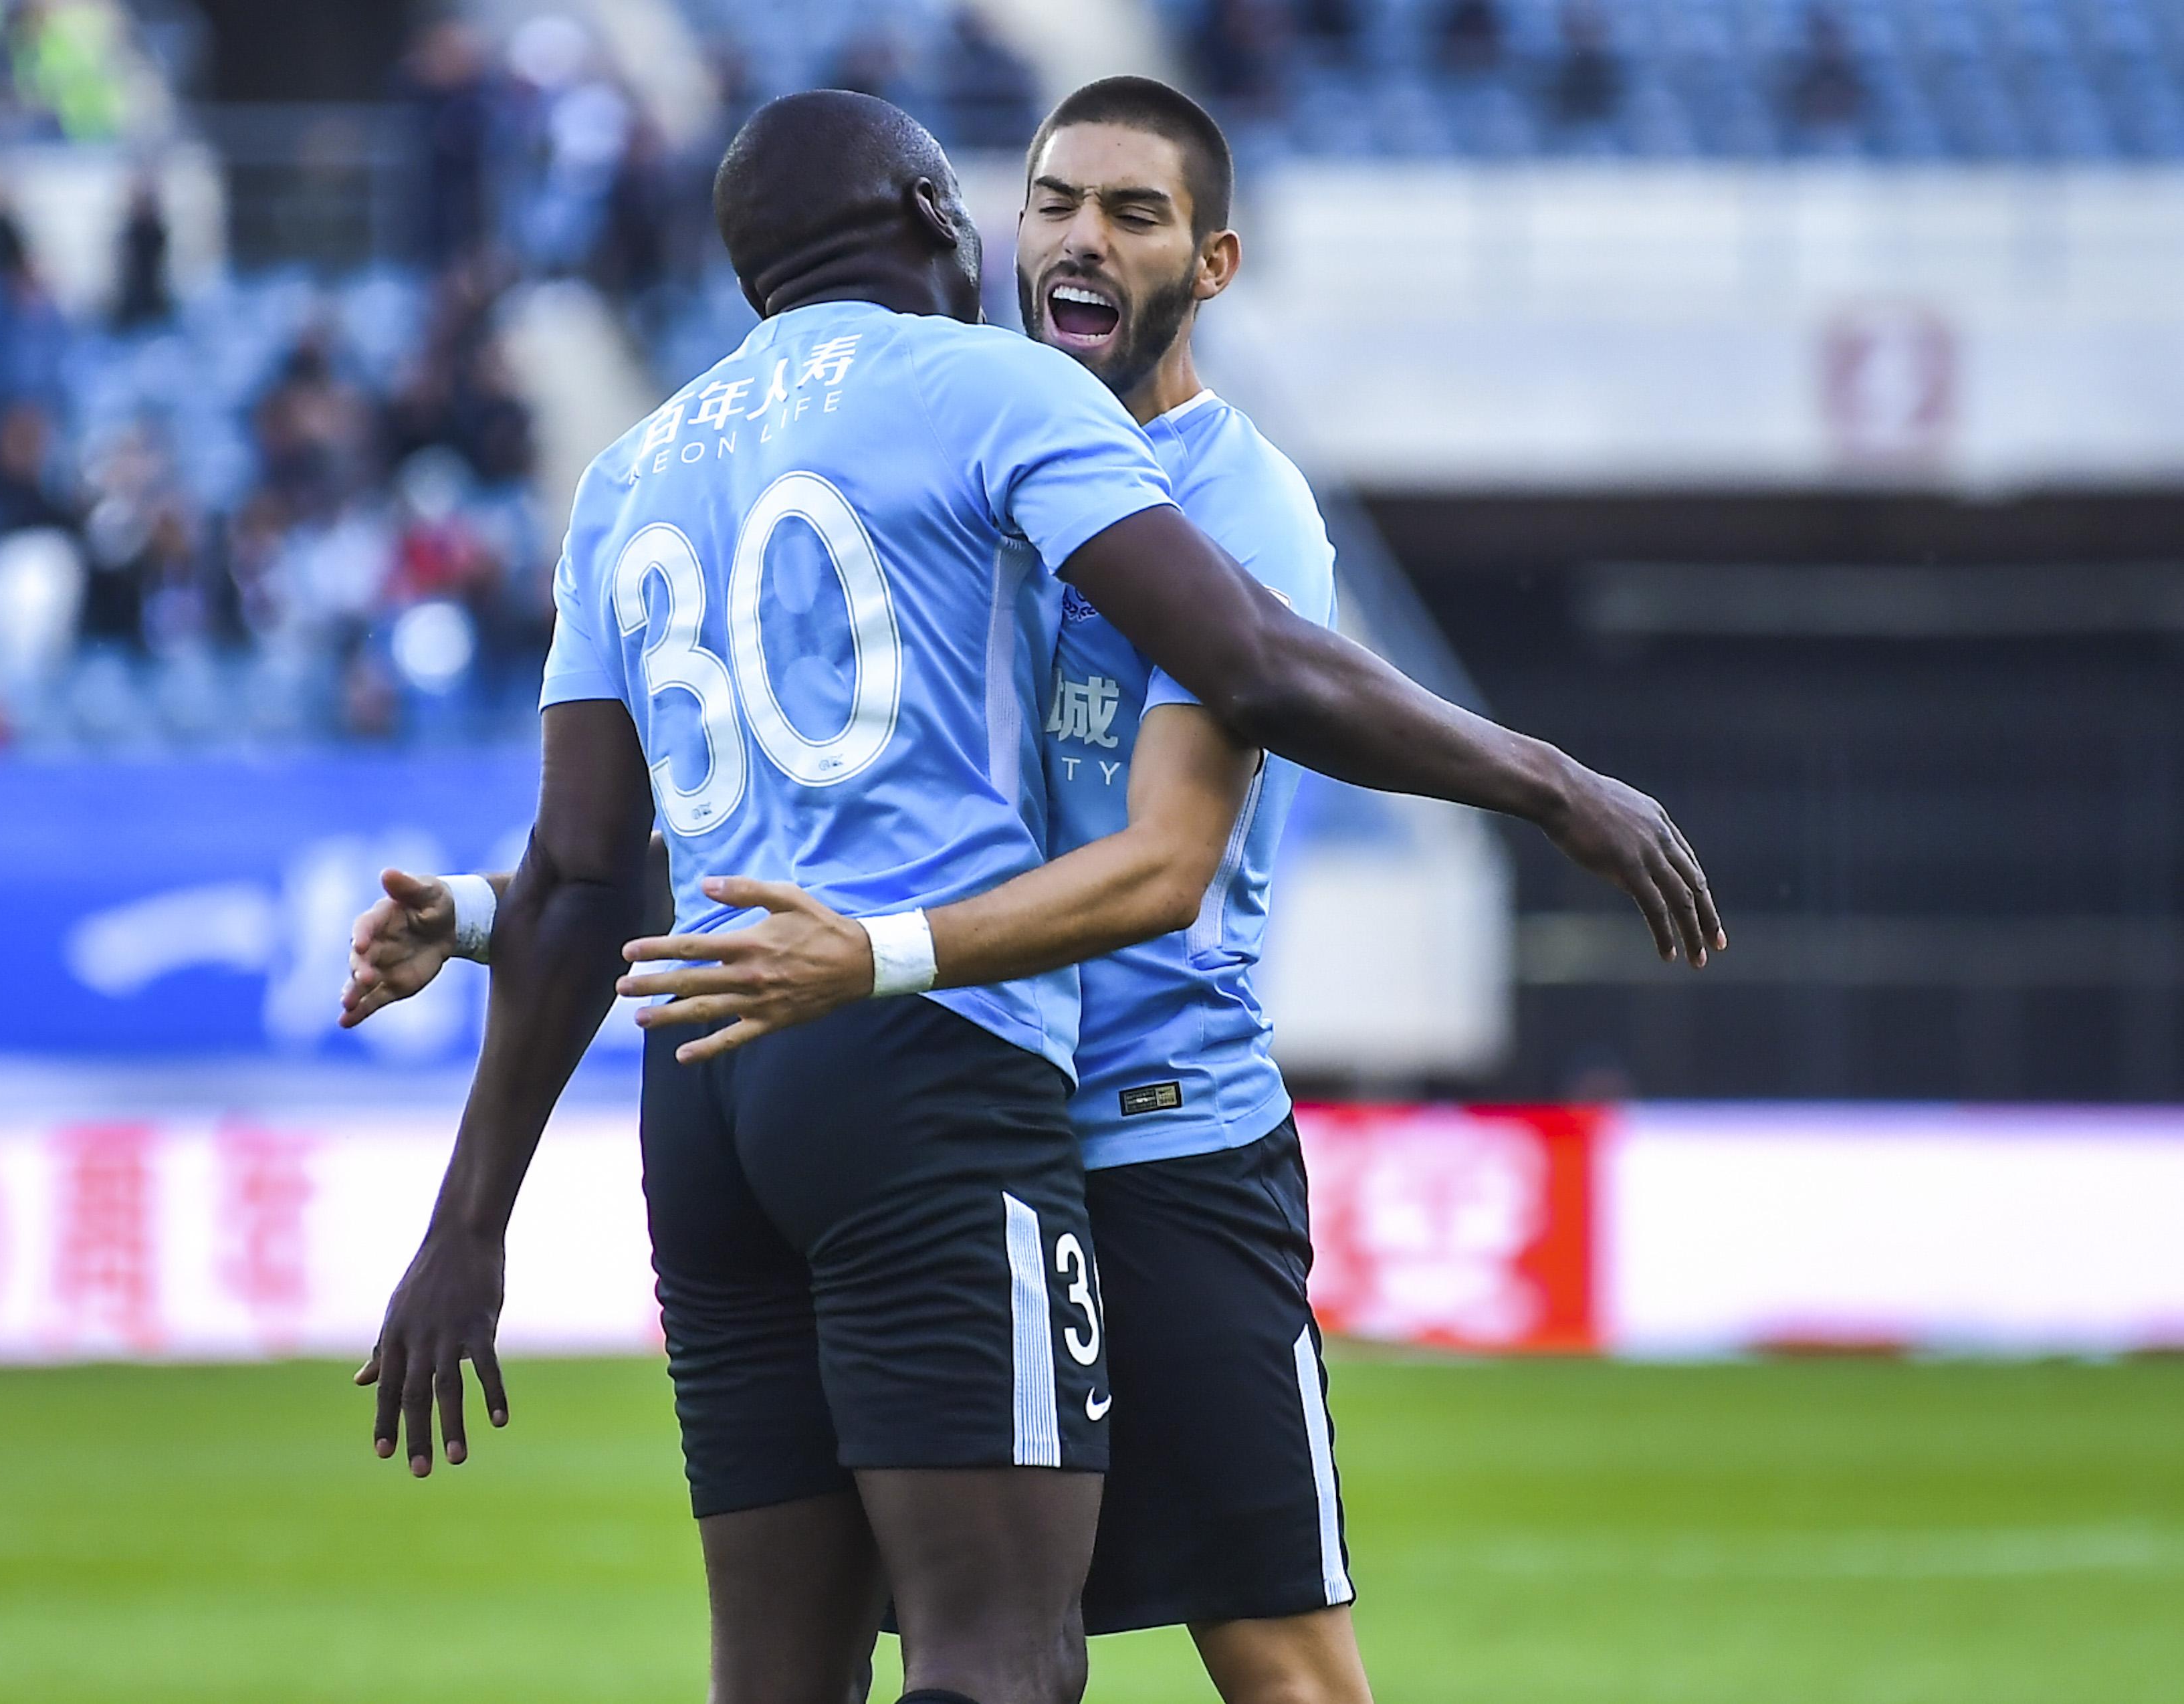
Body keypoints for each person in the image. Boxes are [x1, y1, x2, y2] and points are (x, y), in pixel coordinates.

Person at [344, 80, 1723, 1704]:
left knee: (1214, 1665)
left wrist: (481, 1163)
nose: (1079, 239)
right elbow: (849, 818)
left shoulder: (663, 466)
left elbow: (1125, 845)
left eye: (1132, 214)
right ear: (956, 222)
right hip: (944, 1094)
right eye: (1054, 203)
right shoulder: (988, 408)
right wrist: (1554, 785)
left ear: (1212, 262)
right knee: (1001, 1652)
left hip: (1094, 1119)